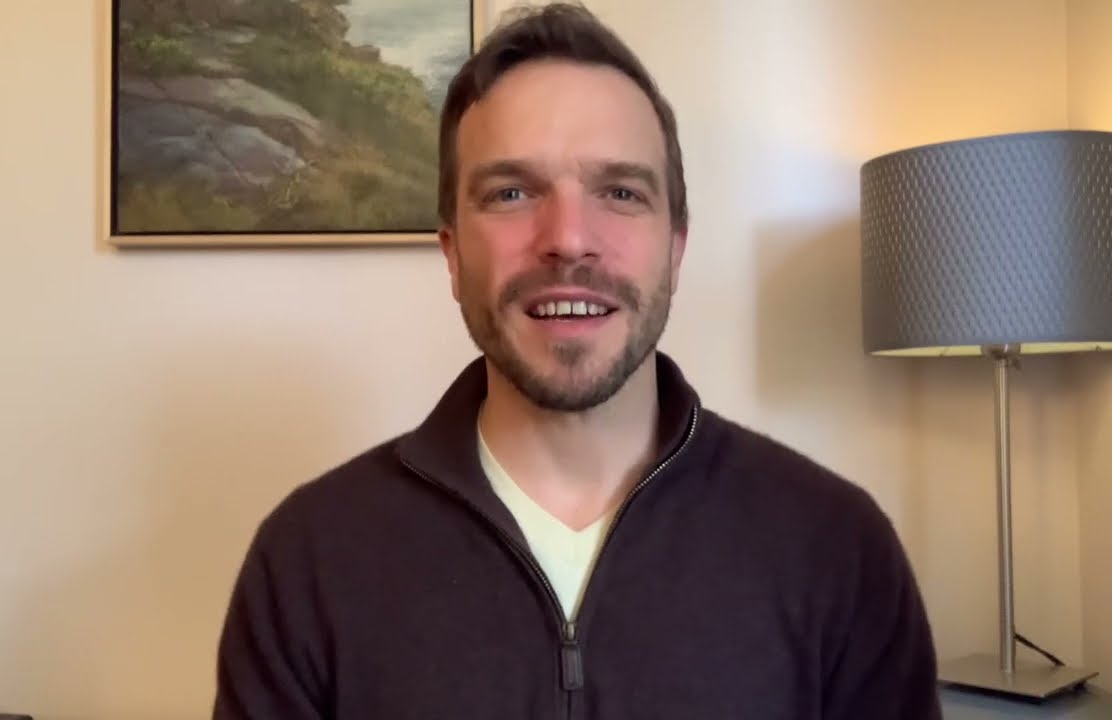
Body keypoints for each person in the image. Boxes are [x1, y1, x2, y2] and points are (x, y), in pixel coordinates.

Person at [212, 4, 941, 718]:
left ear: (675, 250)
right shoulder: (310, 558)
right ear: (453, 255)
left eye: (620, 192)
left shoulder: (836, 547)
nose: (567, 238)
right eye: (512, 192)